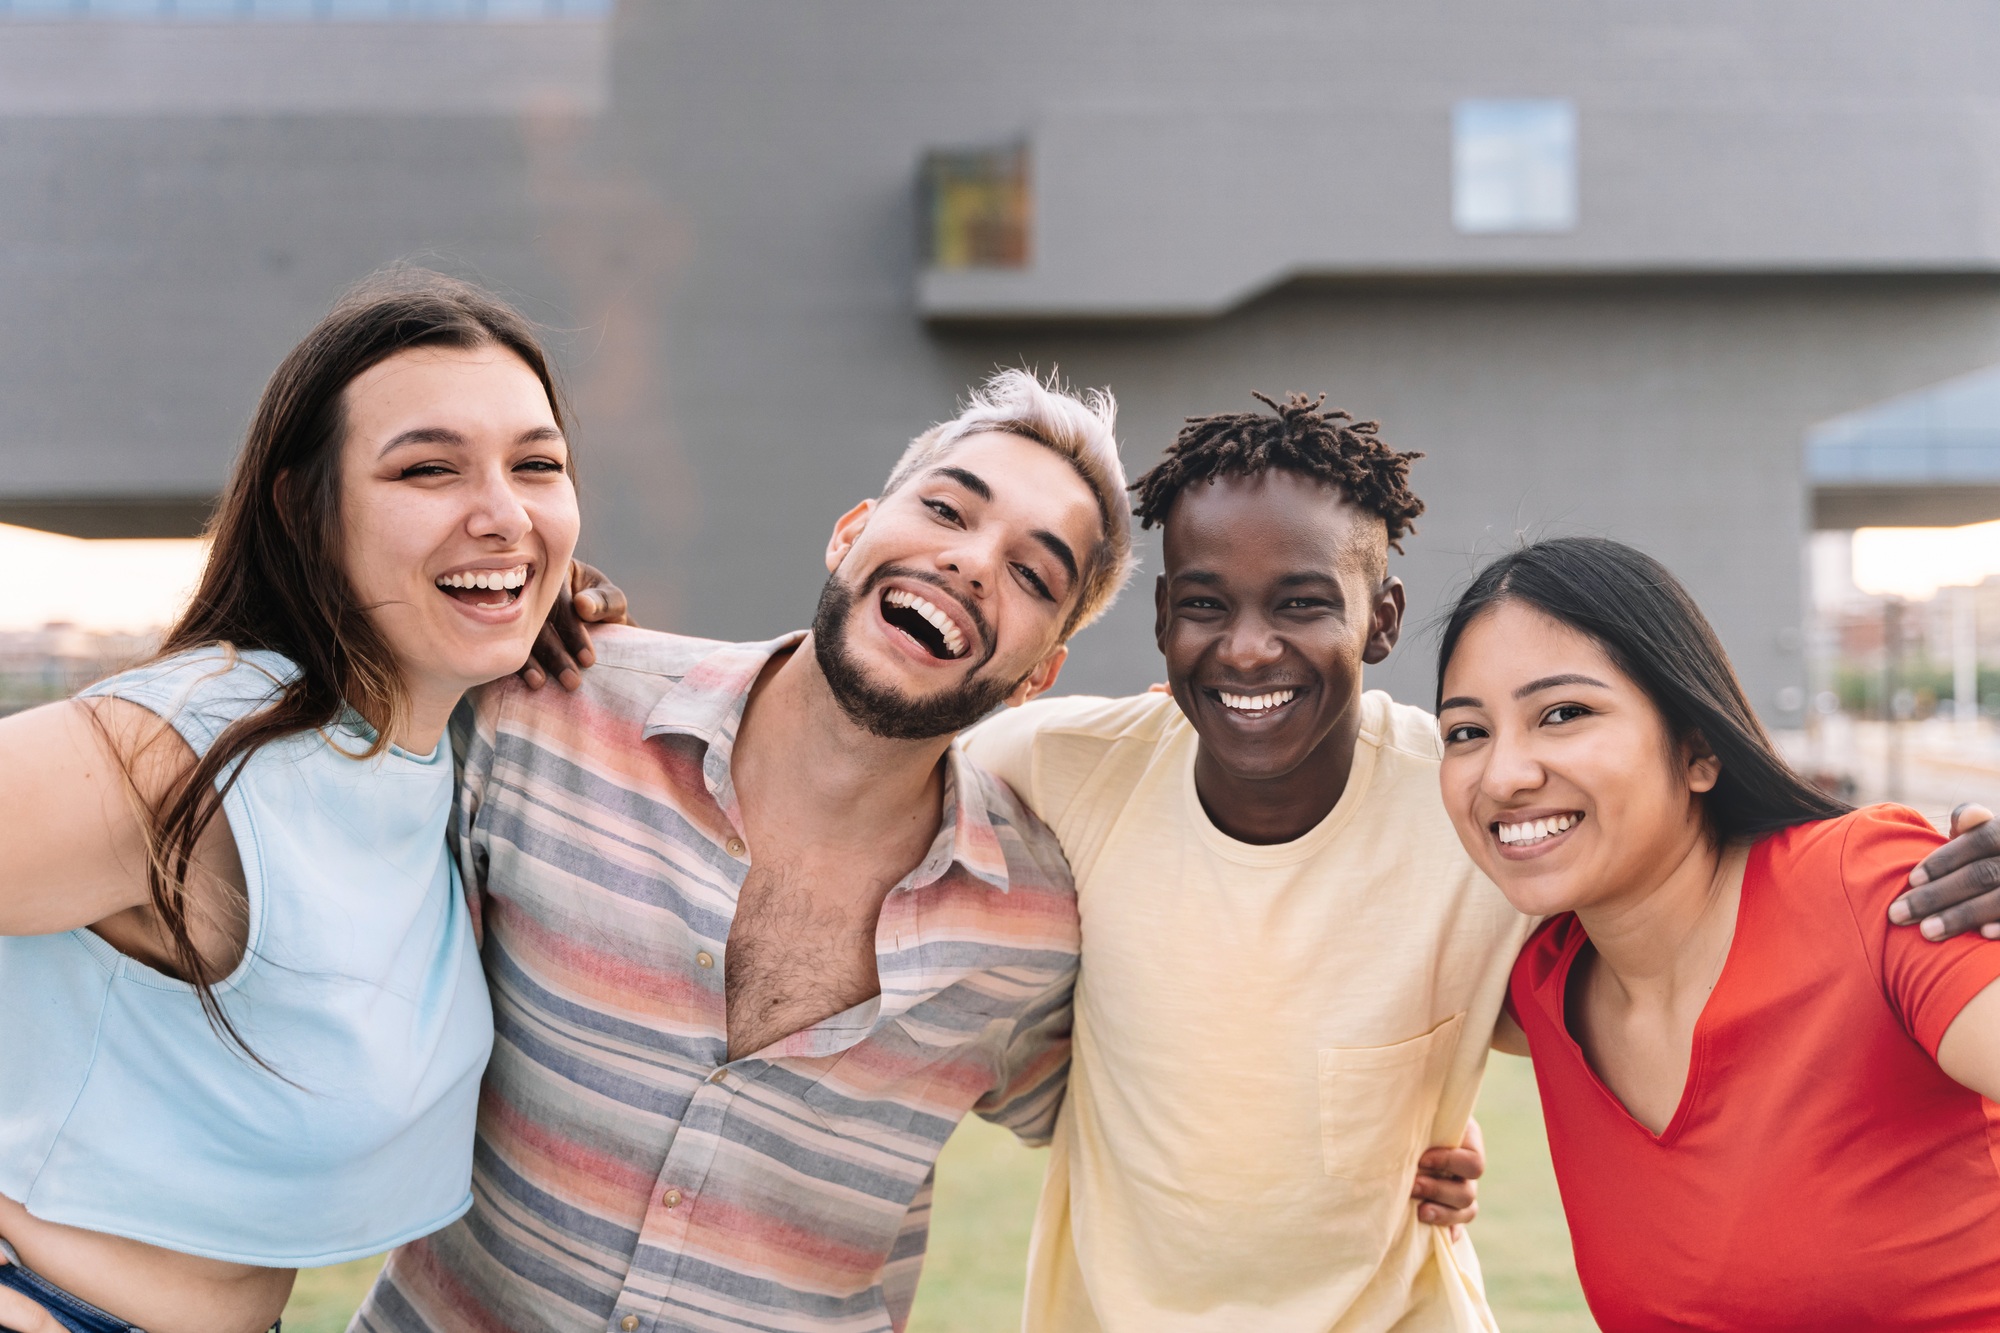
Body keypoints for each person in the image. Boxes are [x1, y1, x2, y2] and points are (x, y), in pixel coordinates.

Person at [351, 370, 1129, 1333]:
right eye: (945, 508)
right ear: (852, 531)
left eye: (1032, 574)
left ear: (1036, 677)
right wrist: (512, 599)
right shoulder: (545, 709)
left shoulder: (1035, 930)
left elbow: (1162, 1124)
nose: (973, 562)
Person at [0, 273, 586, 1333]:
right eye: (428, 468)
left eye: (535, 465)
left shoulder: (418, 756)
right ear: (302, 510)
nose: (500, 512)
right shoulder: (186, 743)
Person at [962, 394, 1518, 1332]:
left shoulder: (1470, 804)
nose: (1248, 649)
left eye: (1301, 604)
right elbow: (851, 771)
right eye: (1206, 607)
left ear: (1382, 622)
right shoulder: (1055, 765)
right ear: (1162, 620)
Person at [1434, 536, 2000, 1331]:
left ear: (1698, 747)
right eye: (1466, 732)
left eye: (1564, 713)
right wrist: (1409, 1157)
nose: (1504, 774)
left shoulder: (1872, 890)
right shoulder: (1540, 989)